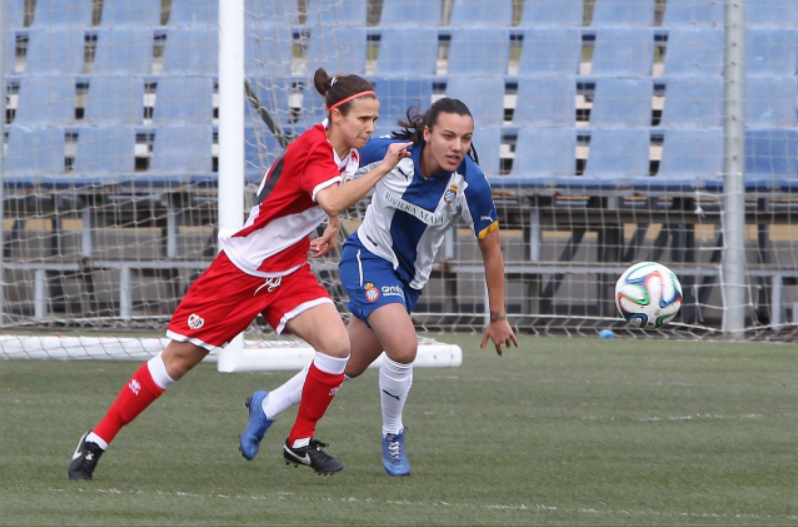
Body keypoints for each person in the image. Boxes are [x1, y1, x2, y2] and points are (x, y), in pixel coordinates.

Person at [68, 68, 412, 480]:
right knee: (176, 362)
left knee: (337, 345)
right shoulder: (315, 149)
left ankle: (299, 441)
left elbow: (326, 199)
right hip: (241, 272)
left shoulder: (348, 153)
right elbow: (334, 197)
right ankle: (95, 441)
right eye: (364, 119)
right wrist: (379, 173)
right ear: (337, 116)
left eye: (375, 120)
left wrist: (331, 224)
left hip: (287, 272)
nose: (371, 128)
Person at [239, 98, 518, 477]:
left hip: (409, 282)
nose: (457, 146)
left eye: (465, 139)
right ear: (427, 134)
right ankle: (392, 433)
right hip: (367, 259)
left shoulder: (471, 184)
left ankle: (267, 405)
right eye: (448, 136)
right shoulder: (388, 152)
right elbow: (328, 162)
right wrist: (332, 219)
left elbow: (492, 252)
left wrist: (497, 316)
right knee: (403, 348)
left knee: (346, 363)